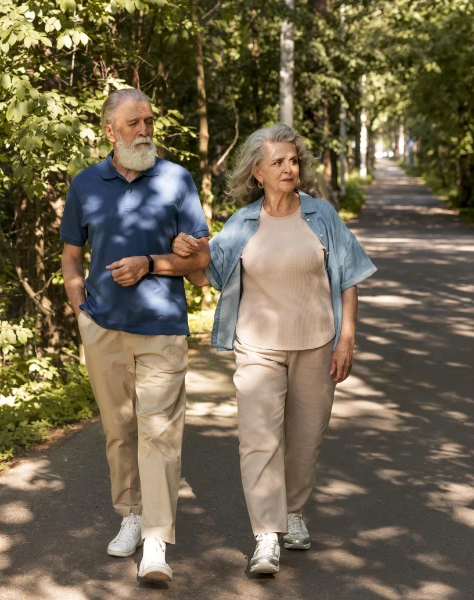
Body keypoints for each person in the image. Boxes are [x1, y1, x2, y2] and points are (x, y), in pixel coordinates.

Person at [172, 124, 376, 574]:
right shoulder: (243, 222)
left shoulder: (321, 215)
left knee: (306, 440)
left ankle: (294, 511)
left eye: (293, 160)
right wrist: (186, 252)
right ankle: (266, 534)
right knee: (259, 440)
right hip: (257, 348)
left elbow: (349, 279)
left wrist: (347, 339)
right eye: (278, 162)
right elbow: (206, 274)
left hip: (318, 344)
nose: (289, 167)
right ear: (257, 172)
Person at [60, 88, 210, 582]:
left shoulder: (176, 180)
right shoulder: (85, 184)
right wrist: (81, 307)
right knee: (119, 432)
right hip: (102, 329)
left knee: (159, 433)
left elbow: (201, 263)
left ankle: (155, 541)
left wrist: (154, 263)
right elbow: (71, 255)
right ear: (109, 131)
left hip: (161, 328)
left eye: (149, 121)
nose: (144, 130)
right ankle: (131, 515)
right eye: (133, 123)